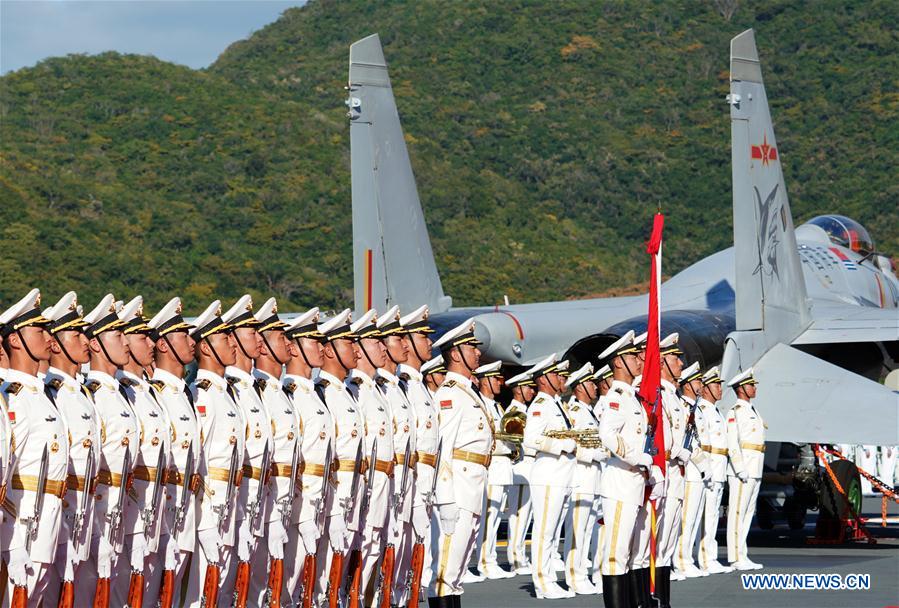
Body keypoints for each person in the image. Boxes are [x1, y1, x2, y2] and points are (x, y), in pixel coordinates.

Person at [0, 289, 69, 607]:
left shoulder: (42, 395)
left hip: (47, 525)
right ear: (15, 340)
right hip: (21, 529)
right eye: (39, 330)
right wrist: (9, 543)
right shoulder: (13, 397)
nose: (49, 337)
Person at [79, 294, 141, 607]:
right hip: (95, 521)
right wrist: (96, 531)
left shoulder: (120, 395)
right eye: (118, 336)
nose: (127, 343)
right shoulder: (95, 397)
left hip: (119, 518)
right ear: (95, 345)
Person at [184, 300, 245, 608]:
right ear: (206, 348)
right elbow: (198, 464)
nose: (233, 344)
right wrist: (206, 522)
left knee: (220, 593)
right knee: (201, 594)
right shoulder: (202, 394)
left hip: (230, 507)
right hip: (210, 510)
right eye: (225, 339)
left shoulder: (226, 393)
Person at [428, 319, 492, 608]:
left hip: (474, 486)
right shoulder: (451, 394)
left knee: (456, 574)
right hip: (458, 489)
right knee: (445, 572)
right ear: (455, 354)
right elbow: (441, 449)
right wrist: (445, 499)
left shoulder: (468, 391)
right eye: (470, 347)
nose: (477, 353)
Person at [112, 296, 172, 606]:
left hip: (154, 513)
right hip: (125, 516)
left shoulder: (147, 392)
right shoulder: (118, 394)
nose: (150, 342)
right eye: (140, 336)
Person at [40, 292, 98, 607]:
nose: (86, 341)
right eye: (77, 335)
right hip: (55, 517)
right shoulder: (52, 393)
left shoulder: (80, 392)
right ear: (56, 343)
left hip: (85, 514)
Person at [146, 297, 201, 605]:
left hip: (185, 512)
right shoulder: (161, 395)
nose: (191, 342)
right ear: (164, 345)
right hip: (165, 514)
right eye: (182, 335)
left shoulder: (182, 394)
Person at [220, 295, 273, 600]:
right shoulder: (230, 392)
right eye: (252, 332)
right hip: (232, 506)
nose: (259, 339)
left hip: (258, 504)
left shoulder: (253, 391)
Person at [596, 331, 653, 608]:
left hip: (633, 483)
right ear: (619, 362)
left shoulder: (633, 397)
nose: (638, 359)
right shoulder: (616, 396)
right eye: (632, 356)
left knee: (629, 554)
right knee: (616, 555)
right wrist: (637, 457)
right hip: (620, 482)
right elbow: (606, 434)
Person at [248, 297, 300, 605]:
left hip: (285, 499)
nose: (290, 346)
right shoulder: (257, 392)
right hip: (261, 503)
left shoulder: (279, 391)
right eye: (282, 338)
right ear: (264, 347)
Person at [281, 307, 334, 606]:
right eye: (315, 342)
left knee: (310, 586)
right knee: (288, 583)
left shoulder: (314, 393)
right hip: (300, 504)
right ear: (296, 347)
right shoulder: (292, 394)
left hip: (318, 501)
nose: (322, 349)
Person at [345, 309, 396, 605]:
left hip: (383, 483)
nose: (383, 348)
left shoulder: (376, 391)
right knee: (360, 549)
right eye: (376, 342)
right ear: (361, 347)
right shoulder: (356, 392)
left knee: (375, 547)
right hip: (365, 484)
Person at [314, 309, 362, 606]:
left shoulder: (345, 392)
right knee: (321, 577)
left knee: (342, 573)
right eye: (348, 343)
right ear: (330, 349)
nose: (355, 349)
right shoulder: (324, 394)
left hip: (353, 491)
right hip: (332, 495)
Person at [522, 353, 577, 600]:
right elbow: (530, 440)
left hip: (561, 475)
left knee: (553, 531)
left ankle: (549, 580)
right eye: (556, 374)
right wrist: (561, 445)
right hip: (548, 475)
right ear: (544, 379)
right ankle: (542, 582)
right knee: (544, 530)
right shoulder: (541, 405)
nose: (561, 378)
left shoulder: (556, 404)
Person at [396, 305, 440, 597]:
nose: (430, 343)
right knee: (396, 559)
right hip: (407, 486)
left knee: (410, 563)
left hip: (424, 485)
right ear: (407, 343)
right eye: (423, 337)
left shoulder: (420, 386)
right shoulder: (405, 387)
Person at [562, 362, 605, 595]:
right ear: (579, 388)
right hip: (581, 478)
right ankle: (574, 576)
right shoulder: (575, 412)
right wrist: (593, 454)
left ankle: (581, 574)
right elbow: (574, 445)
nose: (595, 387)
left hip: (594, 479)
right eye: (590, 383)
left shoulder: (589, 411)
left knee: (587, 530)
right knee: (577, 531)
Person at [471, 360, 515, 581]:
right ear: (485, 381)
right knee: (487, 519)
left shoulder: (497, 406)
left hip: (502, 468)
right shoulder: (482, 405)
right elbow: (489, 440)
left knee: (495, 518)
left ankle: (490, 560)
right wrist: (507, 445)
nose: (501, 383)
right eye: (496, 379)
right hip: (492, 468)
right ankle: (484, 562)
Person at [672, 362, 710, 579]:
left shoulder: (697, 408)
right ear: (687, 385)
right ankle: (681, 559)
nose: (701, 384)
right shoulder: (685, 408)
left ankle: (686, 558)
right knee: (686, 518)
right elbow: (690, 442)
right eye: (697, 381)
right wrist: (703, 464)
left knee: (693, 517)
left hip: (698, 470)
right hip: (691, 468)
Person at [725, 368, 765, 571]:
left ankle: (742, 554)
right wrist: (740, 469)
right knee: (737, 513)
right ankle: (735, 557)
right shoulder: (735, 412)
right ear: (741, 389)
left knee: (748, 512)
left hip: (755, 468)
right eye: (751, 385)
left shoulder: (752, 410)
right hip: (743, 470)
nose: (754, 387)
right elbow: (733, 443)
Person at [694, 367, 732, 575]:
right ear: (706, 388)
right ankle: (705, 558)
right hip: (709, 470)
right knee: (706, 516)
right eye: (717, 385)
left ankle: (710, 556)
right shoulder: (703, 411)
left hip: (719, 470)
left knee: (712, 515)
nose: (720, 389)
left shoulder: (716, 411)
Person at [504, 370, 537, 575]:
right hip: (521, 467)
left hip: (530, 467)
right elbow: (514, 442)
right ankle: (515, 558)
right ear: (518, 390)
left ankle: (520, 555)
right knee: (518, 516)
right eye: (527, 387)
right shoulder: (514, 412)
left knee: (526, 518)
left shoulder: (524, 411)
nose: (531, 391)